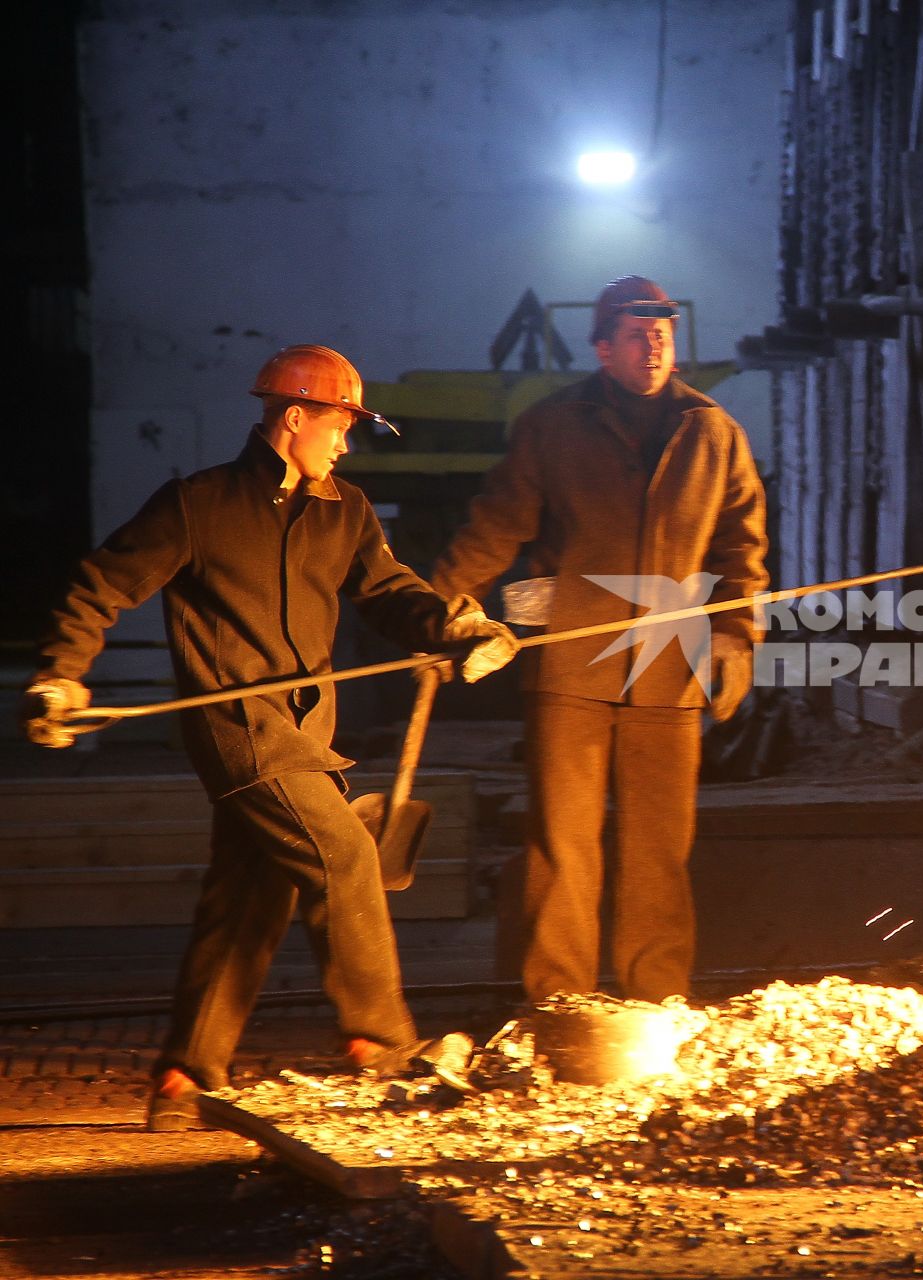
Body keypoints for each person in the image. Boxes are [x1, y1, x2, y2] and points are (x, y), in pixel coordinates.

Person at [21, 344, 520, 1131]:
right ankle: (382, 1044)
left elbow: (391, 594)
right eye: (340, 425)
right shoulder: (197, 506)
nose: (346, 444)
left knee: (248, 899)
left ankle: (186, 1077)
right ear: (295, 419)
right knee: (343, 855)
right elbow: (102, 585)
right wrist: (61, 674)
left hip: (305, 732)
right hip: (235, 731)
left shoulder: (344, 511)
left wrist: (455, 628)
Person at [430, 275, 767, 1004]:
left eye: (664, 333)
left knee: (658, 853)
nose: (654, 345)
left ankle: (655, 1004)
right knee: (563, 848)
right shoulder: (552, 426)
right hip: (572, 667)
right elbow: (497, 525)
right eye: (638, 335)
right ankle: (558, 1002)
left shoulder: (713, 433)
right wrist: (437, 606)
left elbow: (742, 553)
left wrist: (737, 639)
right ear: (603, 348)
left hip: (670, 670)